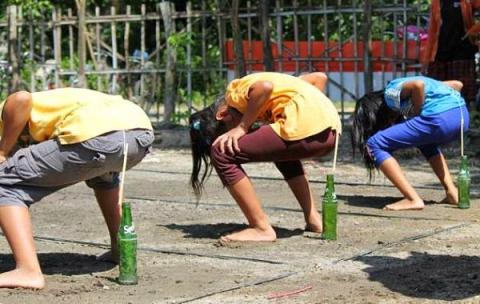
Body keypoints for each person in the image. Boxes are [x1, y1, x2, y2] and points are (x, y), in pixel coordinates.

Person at [0, 88, 154, 289]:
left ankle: (28, 271)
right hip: (139, 134)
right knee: (103, 177)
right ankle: (120, 250)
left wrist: (2, 150)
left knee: (4, 182)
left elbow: (20, 98)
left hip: (93, 135)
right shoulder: (55, 104)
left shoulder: (5, 114)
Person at [189, 72, 341, 243]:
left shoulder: (234, 93)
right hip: (330, 133)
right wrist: (314, 115)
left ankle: (260, 228)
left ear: (223, 114)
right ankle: (314, 219)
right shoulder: (285, 85)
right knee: (281, 149)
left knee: (221, 150)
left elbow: (264, 87)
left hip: (308, 129)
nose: (232, 135)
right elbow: (319, 78)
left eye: (227, 131)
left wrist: (242, 127)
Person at [351, 76, 469, 211]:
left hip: (438, 119)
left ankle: (413, 199)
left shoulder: (390, 92)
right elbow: (457, 84)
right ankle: (452, 193)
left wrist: (417, 114)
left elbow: (417, 85)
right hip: (462, 117)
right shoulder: (432, 84)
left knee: (374, 144)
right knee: (425, 142)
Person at [422, 0, 480, 108]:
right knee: (437, 94)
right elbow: (432, 31)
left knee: (462, 95)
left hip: (462, 53)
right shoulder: (437, 2)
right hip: (440, 54)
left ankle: (461, 122)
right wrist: (426, 59)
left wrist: (475, 29)